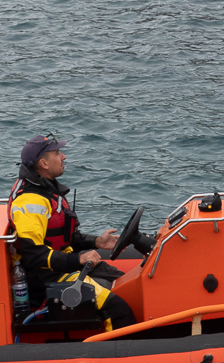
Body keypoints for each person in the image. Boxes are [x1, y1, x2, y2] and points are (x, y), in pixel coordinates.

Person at [9, 134, 137, 332]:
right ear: (43, 163)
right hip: (47, 278)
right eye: (57, 153)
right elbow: (34, 255)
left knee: (126, 282)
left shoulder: (45, 190)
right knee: (118, 310)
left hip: (61, 266)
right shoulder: (31, 201)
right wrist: (77, 260)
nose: (64, 157)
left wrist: (96, 242)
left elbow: (59, 236)